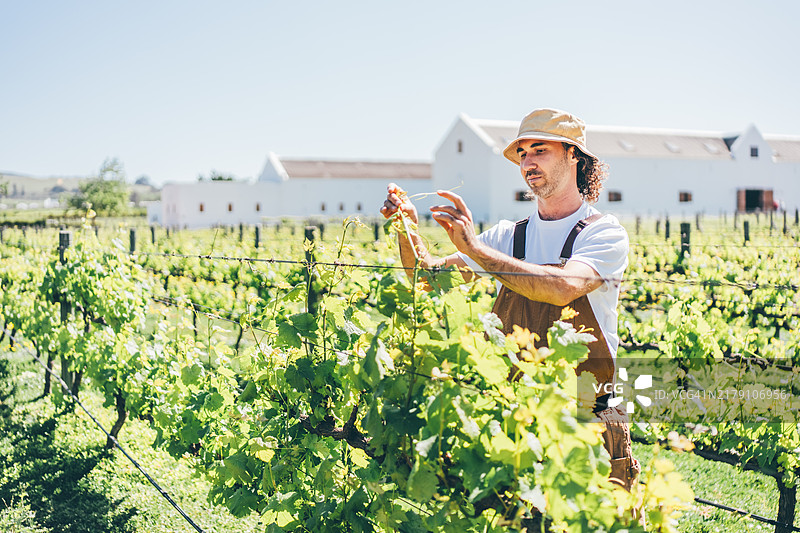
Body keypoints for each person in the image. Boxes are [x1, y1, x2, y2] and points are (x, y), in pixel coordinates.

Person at [380, 107, 639, 491]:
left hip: (584, 424)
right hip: (513, 424)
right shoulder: (508, 236)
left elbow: (564, 287)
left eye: (540, 150)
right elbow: (429, 281)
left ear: (574, 156)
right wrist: (407, 228)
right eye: (522, 153)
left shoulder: (603, 234)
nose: (528, 162)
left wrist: (478, 251)